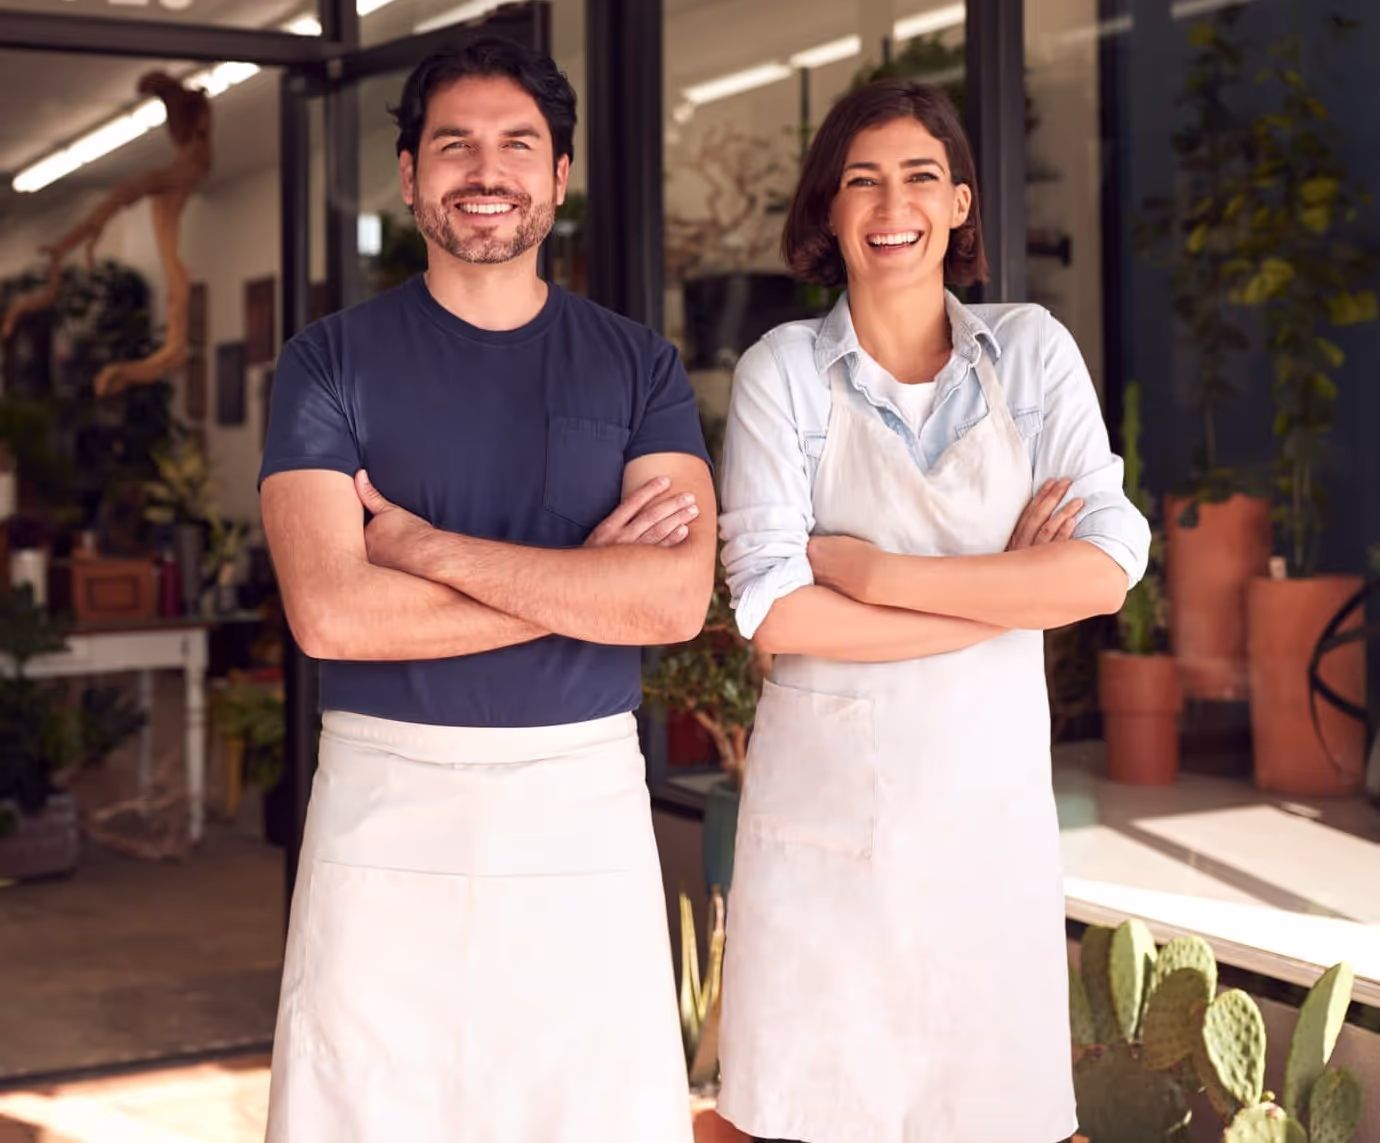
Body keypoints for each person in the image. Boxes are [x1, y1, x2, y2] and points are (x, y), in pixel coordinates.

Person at [257, 36, 715, 1143]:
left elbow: (670, 607)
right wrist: (582, 581)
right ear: (410, 176)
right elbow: (330, 616)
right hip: (387, 805)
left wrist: (424, 550)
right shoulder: (328, 363)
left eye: (519, 144)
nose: (486, 170)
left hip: (584, 810)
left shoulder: (638, 366)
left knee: (588, 1115)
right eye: (454, 145)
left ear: (559, 177)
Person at [713, 79, 1151, 1143]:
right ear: (827, 210)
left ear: (959, 203)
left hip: (984, 825)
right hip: (827, 835)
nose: (889, 204)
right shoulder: (784, 372)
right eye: (860, 180)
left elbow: (1107, 565)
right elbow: (773, 607)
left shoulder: (1032, 352)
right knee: (823, 1113)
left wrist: (877, 575)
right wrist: (1007, 590)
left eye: (919, 176)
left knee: (988, 1113)